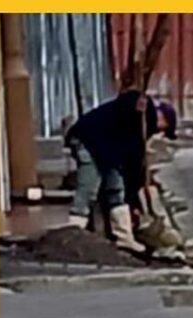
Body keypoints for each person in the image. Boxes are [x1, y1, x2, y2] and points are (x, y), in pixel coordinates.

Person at [65, 90, 177, 252]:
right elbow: (126, 100)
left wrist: (134, 204)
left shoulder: (140, 130)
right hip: (88, 140)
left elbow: (132, 171)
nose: (159, 133)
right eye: (163, 129)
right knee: (89, 186)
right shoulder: (139, 108)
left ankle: (124, 237)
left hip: (108, 152)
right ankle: (73, 234)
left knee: (116, 188)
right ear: (162, 119)